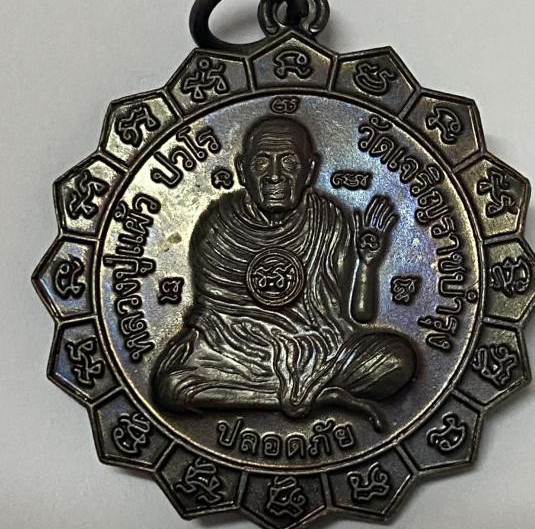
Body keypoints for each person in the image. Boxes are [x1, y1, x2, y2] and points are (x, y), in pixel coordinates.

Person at [152, 116, 415, 429]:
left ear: (310, 171)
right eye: (262, 162)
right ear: (242, 170)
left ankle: (295, 391)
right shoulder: (219, 224)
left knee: (395, 360)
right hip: (235, 351)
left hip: (317, 349)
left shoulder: (326, 219)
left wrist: (367, 263)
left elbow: (358, 316)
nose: (274, 175)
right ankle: (309, 398)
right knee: (170, 387)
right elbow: (212, 318)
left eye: (289, 162)